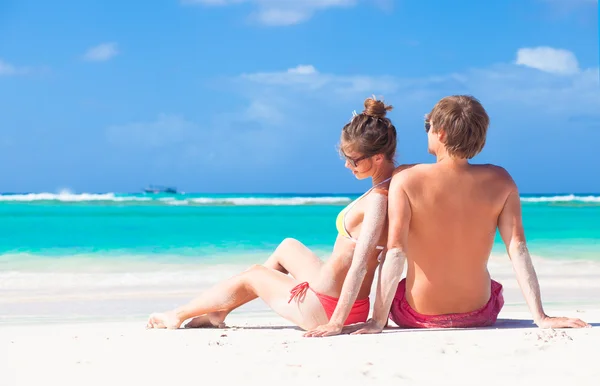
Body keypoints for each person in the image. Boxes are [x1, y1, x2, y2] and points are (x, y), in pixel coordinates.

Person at [147, 97, 398, 337]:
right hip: (337, 298)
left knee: (254, 274)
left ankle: (177, 314)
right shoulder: (391, 187)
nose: (347, 166)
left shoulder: (378, 200)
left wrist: (339, 323)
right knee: (287, 246)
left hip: (326, 308)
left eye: (353, 160)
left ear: (377, 157)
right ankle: (218, 311)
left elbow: (363, 264)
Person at [353, 95, 590, 334]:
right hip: (480, 312)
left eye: (428, 126)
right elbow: (518, 248)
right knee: (490, 284)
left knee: (404, 286)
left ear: (441, 133)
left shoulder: (405, 178)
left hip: (418, 313)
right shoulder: (501, 180)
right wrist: (540, 316)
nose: (427, 131)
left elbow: (396, 252)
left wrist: (377, 321)